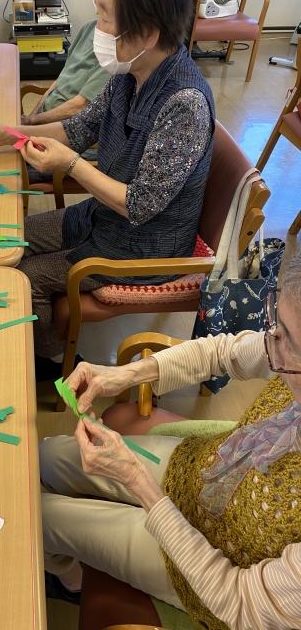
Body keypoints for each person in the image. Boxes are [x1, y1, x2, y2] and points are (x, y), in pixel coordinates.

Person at [39, 251, 301, 630]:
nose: (271, 344)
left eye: (288, 342)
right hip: (197, 471)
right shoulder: (284, 348)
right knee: (47, 455)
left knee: (40, 517)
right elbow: (223, 351)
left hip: (207, 561)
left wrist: (139, 483)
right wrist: (126, 375)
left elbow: (242, 604)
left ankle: (71, 583)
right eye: (276, 324)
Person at [0, 0, 215, 380]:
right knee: (8, 240)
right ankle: (41, 347)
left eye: (105, 16)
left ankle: (54, 365)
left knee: (26, 277)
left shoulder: (185, 104)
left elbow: (138, 205)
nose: (98, 28)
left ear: (148, 33)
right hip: (103, 216)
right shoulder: (129, 75)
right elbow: (76, 130)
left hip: (143, 247)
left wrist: (70, 165)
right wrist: (9, 133)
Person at [22, 16, 110, 183]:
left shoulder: (114, 54)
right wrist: (32, 117)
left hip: (69, 143)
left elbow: (79, 107)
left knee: (12, 170)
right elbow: (61, 78)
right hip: (44, 126)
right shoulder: (89, 27)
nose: (100, 16)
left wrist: (32, 124)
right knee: (1, 149)